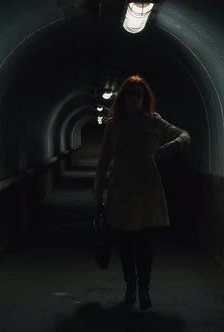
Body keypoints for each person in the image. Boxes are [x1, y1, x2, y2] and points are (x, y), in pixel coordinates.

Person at [92, 75, 190, 311]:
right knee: (126, 243)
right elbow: (104, 160)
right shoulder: (113, 125)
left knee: (145, 243)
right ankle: (131, 286)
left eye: (139, 94)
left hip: (147, 187)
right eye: (130, 94)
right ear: (123, 97)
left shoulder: (153, 122)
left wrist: (176, 143)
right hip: (121, 187)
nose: (134, 98)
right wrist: (97, 193)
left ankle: (144, 289)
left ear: (144, 98)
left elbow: (184, 134)